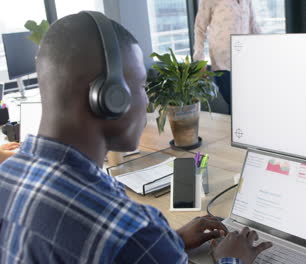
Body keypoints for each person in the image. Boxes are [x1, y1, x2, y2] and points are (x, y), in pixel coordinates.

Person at [0, 12, 271, 263]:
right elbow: (122, 239)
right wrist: (233, 258)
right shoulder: (129, 230)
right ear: (109, 97)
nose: (147, 100)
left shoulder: (6, 175)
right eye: (141, 85)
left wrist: (168, 242)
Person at [194, 0, 261, 110]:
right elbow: (200, 28)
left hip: (245, 62)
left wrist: (269, 47)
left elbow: (253, 25)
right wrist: (199, 59)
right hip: (223, 64)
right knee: (236, 105)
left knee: (244, 107)